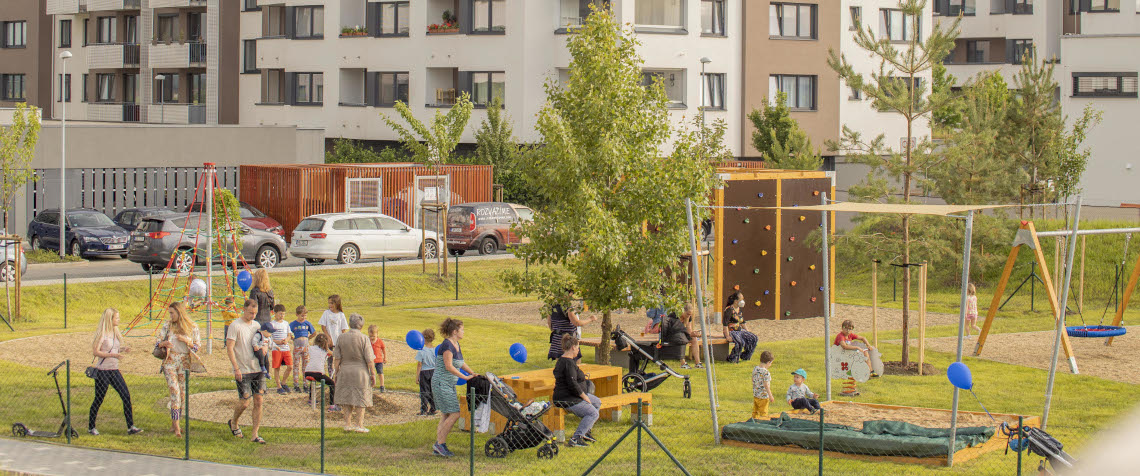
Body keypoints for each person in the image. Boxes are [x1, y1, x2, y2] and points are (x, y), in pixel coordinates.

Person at [88, 308, 142, 436]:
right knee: (99, 398)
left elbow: (115, 348)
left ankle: (130, 426)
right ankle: (91, 427)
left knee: (126, 395)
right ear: (110, 319)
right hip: (103, 371)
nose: (118, 320)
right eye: (116, 318)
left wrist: (122, 349)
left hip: (114, 370)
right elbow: (96, 352)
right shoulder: (103, 334)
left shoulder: (115, 332)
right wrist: (112, 355)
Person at [431, 318, 479, 457]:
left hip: (449, 383)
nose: (463, 332)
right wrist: (465, 378)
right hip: (441, 383)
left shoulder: (456, 344)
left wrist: (472, 373)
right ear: (454, 331)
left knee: (446, 414)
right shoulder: (447, 345)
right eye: (462, 329)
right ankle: (440, 444)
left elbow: (461, 363)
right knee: (455, 413)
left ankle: (439, 444)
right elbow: (449, 366)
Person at [227, 298, 267, 444]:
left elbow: (263, 342)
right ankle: (234, 422)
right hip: (243, 368)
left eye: (255, 313)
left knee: (259, 400)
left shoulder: (257, 325)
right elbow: (230, 347)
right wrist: (236, 368)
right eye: (250, 312)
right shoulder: (235, 325)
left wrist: (264, 349)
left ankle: (255, 434)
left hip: (257, 368)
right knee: (244, 401)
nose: (252, 315)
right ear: (244, 309)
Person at [157, 301, 200, 437]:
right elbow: (157, 342)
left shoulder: (192, 326)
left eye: (172, 313)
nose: (170, 316)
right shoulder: (167, 325)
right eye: (169, 313)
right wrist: (164, 343)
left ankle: (175, 422)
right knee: (175, 392)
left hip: (184, 361)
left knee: (182, 394)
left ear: (179, 312)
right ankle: (176, 428)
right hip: (170, 361)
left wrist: (187, 341)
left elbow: (197, 346)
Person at [554, 334, 601, 448]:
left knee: (597, 402)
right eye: (578, 348)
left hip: (572, 395)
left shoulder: (565, 360)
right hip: (567, 398)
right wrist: (584, 397)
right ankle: (576, 438)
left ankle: (586, 432)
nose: (578, 350)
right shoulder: (568, 363)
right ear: (573, 348)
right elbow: (572, 384)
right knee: (593, 413)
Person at [333, 313, 375, 433]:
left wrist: (337, 372)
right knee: (361, 399)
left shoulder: (341, 337)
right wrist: (373, 374)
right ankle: (359, 425)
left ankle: (347, 424)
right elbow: (369, 359)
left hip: (345, 370)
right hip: (360, 372)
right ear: (361, 326)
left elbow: (337, 358)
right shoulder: (364, 338)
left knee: (347, 398)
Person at [547, 289, 595, 360]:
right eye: (571, 294)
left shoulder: (551, 306)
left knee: (561, 364)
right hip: (568, 340)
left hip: (557, 340)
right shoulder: (568, 308)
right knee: (575, 365)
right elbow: (577, 323)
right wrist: (590, 319)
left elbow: (550, 323)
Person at [304, 333, 338, 412]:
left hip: (307, 372)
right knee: (332, 383)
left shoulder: (311, 348)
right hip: (318, 373)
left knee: (313, 381)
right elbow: (335, 354)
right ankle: (332, 405)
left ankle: (311, 399)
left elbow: (306, 349)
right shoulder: (326, 350)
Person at [722, 292, 758, 363]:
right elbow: (725, 324)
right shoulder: (729, 310)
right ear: (736, 301)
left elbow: (742, 322)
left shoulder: (738, 310)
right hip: (732, 332)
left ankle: (745, 356)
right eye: (741, 299)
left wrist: (747, 331)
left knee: (754, 338)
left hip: (739, 331)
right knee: (740, 342)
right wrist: (727, 336)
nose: (743, 301)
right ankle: (732, 358)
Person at [290, 305, 317, 393]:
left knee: (306, 365)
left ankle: (305, 384)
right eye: (302, 315)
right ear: (297, 315)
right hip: (297, 346)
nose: (303, 317)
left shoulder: (307, 323)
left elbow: (314, 332)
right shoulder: (293, 324)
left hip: (305, 346)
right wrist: (292, 338)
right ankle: (296, 384)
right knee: (296, 365)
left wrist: (308, 338)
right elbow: (288, 332)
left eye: (305, 316)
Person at [269, 304, 294, 394]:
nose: (282, 316)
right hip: (277, 349)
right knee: (277, 367)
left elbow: (289, 334)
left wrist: (287, 340)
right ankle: (278, 386)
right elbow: (270, 338)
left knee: (290, 366)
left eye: (283, 314)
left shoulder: (286, 323)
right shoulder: (272, 324)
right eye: (280, 314)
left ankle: (284, 382)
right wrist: (277, 342)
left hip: (285, 348)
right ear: (275, 313)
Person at [415, 329, 437, 415]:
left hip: (424, 372)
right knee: (432, 391)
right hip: (434, 371)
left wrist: (417, 376)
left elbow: (419, 364)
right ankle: (433, 408)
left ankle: (424, 409)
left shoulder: (422, 350)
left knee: (424, 391)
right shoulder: (435, 350)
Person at [679, 302, 704, 369]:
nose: (689, 316)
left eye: (690, 314)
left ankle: (697, 363)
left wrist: (693, 334)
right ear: (683, 311)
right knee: (681, 339)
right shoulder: (677, 316)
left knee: (694, 339)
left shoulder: (688, 317)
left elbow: (688, 329)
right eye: (687, 314)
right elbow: (677, 329)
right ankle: (683, 363)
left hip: (682, 334)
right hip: (676, 334)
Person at [750, 350, 774, 420]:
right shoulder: (766, 372)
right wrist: (770, 395)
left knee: (755, 411)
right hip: (763, 396)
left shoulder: (755, 368)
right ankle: (764, 423)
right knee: (763, 412)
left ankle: (754, 422)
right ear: (768, 362)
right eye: (771, 363)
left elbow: (752, 379)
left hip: (756, 394)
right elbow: (766, 385)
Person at [368, 325, 387, 392]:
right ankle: (370, 385)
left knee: (380, 373)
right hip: (370, 361)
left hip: (379, 360)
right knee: (370, 373)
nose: (372, 338)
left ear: (377, 334)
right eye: (370, 336)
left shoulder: (379, 341)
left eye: (374, 336)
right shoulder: (368, 341)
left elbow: (384, 349)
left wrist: (385, 357)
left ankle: (382, 386)